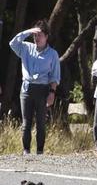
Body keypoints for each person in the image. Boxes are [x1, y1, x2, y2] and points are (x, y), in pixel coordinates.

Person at [9, 20, 61, 155]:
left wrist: (52, 92)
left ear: (46, 36)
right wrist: (28, 32)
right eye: (35, 35)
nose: (37, 38)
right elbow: (12, 43)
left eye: (40, 35)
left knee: (41, 124)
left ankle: (39, 151)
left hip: (43, 89)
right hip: (26, 89)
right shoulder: (26, 48)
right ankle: (26, 150)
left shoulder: (52, 54)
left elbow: (54, 76)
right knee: (26, 123)